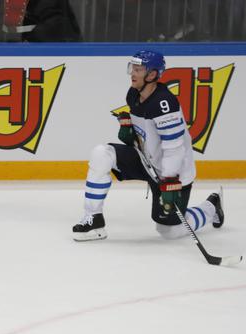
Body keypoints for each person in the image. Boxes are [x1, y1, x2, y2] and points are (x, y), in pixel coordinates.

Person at [72, 50, 224, 241]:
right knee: (101, 153)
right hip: (146, 161)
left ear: (152, 75)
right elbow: (147, 133)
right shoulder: (133, 94)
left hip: (173, 172)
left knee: (170, 232)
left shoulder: (164, 104)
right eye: (132, 68)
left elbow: (174, 148)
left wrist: (170, 180)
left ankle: (211, 206)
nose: (132, 73)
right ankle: (93, 220)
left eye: (138, 69)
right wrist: (129, 130)